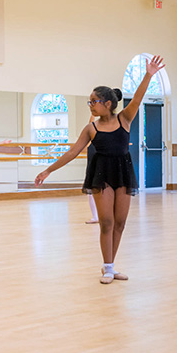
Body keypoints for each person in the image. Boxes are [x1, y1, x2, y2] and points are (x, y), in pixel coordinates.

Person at [35, 55, 165, 284]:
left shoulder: (125, 119)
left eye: (93, 101)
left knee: (121, 222)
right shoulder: (91, 128)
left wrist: (149, 74)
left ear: (107, 103)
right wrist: (48, 171)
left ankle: (111, 266)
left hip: (123, 172)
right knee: (107, 222)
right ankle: (107, 267)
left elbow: (138, 98)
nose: (90, 104)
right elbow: (72, 152)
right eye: (89, 101)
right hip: (101, 174)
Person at [84, 115, 99, 224]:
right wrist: (93, 116)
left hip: (103, 169)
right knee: (91, 193)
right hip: (92, 169)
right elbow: (91, 124)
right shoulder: (90, 141)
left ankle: (100, 216)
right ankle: (95, 216)